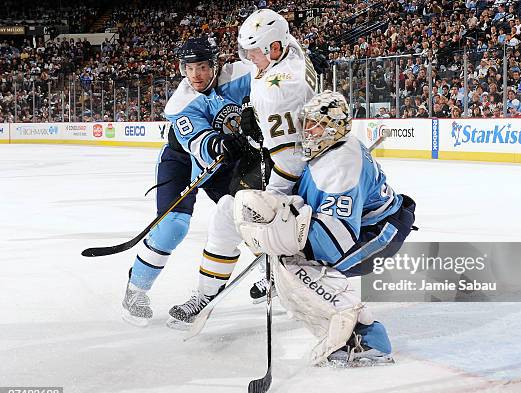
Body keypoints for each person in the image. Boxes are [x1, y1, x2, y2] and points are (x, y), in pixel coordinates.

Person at [233, 91, 417, 364]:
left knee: (301, 263)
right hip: (366, 224)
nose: (307, 132)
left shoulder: (340, 166)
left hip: (380, 232)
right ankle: (349, 329)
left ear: (334, 128)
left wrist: (282, 239)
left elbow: (333, 242)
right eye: (305, 124)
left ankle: (368, 339)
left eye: (315, 125)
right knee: (292, 262)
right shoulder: (327, 149)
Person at [165, 9, 319, 326]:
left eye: (254, 51)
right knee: (230, 209)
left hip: (299, 172)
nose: (248, 58)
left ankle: (278, 277)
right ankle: (281, 270)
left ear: (273, 48)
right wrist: (251, 125)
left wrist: (270, 204)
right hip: (304, 160)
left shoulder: (277, 89)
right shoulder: (290, 50)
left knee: (233, 215)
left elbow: (289, 158)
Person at [121, 38, 252, 327]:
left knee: (251, 218)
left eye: (203, 67)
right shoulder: (180, 102)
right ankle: (136, 291)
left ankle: (277, 277)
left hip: (224, 164)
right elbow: (200, 142)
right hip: (182, 163)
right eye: (190, 68)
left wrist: (298, 66)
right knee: (172, 226)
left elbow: (273, 76)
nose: (196, 75)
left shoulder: (241, 74)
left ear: (215, 65)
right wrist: (220, 144)